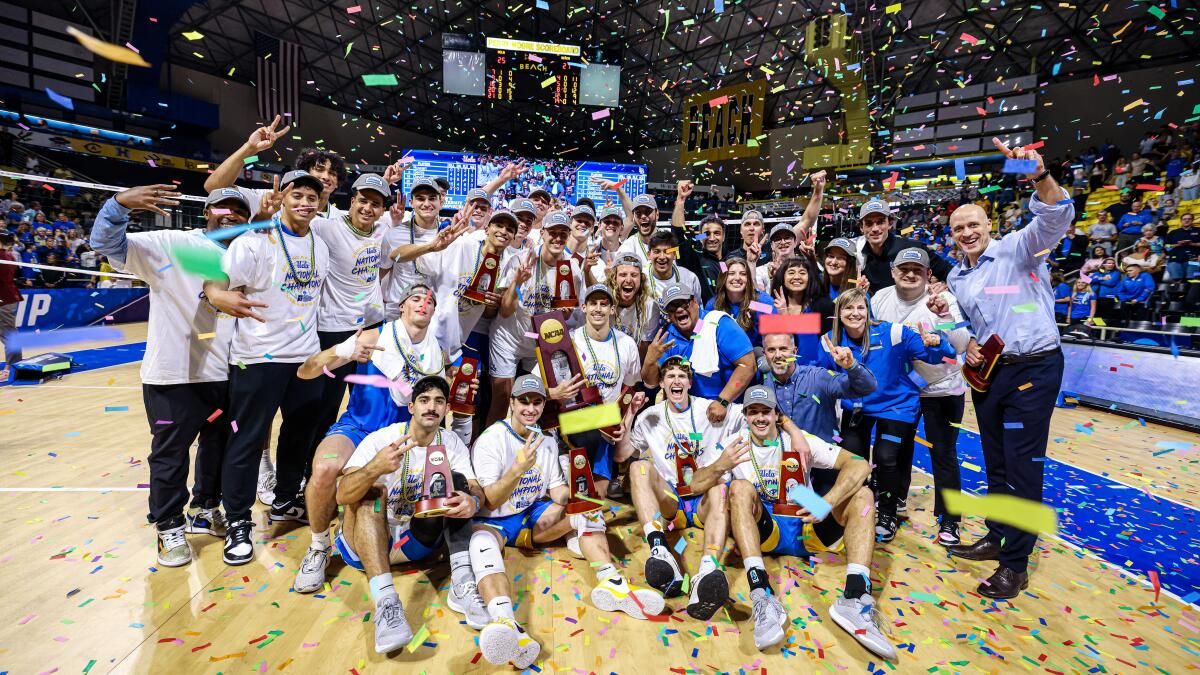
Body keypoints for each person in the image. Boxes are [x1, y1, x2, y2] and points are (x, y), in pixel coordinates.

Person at [935, 137, 1074, 599]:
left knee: (1022, 467)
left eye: (973, 224)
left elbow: (1057, 215)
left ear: (988, 224)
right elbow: (964, 324)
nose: (967, 233)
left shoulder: (1021, 248)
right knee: (996, 462)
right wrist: (965, 343)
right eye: (959, 228)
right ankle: (997, 536)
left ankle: (1016, 563)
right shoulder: (958, 275)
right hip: (990, 375)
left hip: (1033, 368)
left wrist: (1038, 175)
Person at [89, 185, 244, 566]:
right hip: (173, 375)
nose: (230, 214)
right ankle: (168, 525)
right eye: (222, 206)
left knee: (217, 449)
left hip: (228, 375)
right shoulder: (172, 243)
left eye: (239, 209)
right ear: (207, 211)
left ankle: (206, 509)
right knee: (171, 456)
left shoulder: (250, 253)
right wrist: (118, 205)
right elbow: (106, 244)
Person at [469, 375, 664, 667]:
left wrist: (574, 500)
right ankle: (506, 623)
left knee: (587, 509)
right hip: (495, 519)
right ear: (511, 403)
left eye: (537, 402)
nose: (530, 408)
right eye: (524, 401)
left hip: (531, 514)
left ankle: (611, 582)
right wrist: (517, 469)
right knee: (480, 542)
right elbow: (490, 500)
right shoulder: (491, 440)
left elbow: (557, 490)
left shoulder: (545, 441)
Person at [202, 170, 331, 565]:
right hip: (258, 358)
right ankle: (238, 521)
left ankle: (286, 499)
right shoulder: (253, 242)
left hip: (305, 357)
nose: (306, 202)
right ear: (284, 197)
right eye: (298, 195)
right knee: (247, 440)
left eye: (313, 196)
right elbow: (216, 283)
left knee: (298, 436)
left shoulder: (319, 245)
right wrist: (216, 297)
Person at [723, 386, 893, 659]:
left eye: (766, 411)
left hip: (807, 514)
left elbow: (860, 465)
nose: (760, 418)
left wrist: (827, 501)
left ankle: (854, 597)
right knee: (740, 488)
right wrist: (720, 465)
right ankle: (762, 594)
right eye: (753, 412)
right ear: (745, 416)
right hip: (768, 526)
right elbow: (696, 483)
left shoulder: (800, 441)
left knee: (863, 494)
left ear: (777, 414)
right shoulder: (734, 444)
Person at [331, 376, 486, 653]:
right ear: (411, 407)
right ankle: (387, 603)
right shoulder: (381, 439)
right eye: (425, 401)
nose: (432, 407)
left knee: (458, 481)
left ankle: (462, 582)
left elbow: (475, 488)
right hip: (366, 540)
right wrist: (374, 468)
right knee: (372, 492)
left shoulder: (451, 443)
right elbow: (342, 495)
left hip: (415, 540)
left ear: (447, 409)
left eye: (439, 401)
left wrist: (473, 501)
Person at [821, 286, 953, 542]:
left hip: (896, 406)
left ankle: (888, 513)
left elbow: (941, 356)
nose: (855, 313)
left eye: (861, 307)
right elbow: (823, 375)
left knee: (885, 457)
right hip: (857, 408)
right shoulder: (829, 340)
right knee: (854, 459)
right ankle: (857, 509)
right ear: (839, 313)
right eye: (848, 308)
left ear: (869, 311)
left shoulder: (894, 332)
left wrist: (938, 341)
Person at [870, 248, 972, 545]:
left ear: (929, 275)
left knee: (943, 455)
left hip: (943, 389)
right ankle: (892, 507)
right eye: (904, 268)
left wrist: (945, 318)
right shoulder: (880, 299)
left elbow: (962, 344)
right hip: (903, 390)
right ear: (893, 271)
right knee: (893, 454)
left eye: (918, 269)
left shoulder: (944, 300)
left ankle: (950, 520)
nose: (910, 273)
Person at [628, 356, 733, 618]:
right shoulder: (649, 417)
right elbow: (622, 455)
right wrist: (628, 415)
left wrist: (789, 427)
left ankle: (708, 568)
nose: (676, 380)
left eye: (682, 376)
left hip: (703, 501)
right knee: (637, 467)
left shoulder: (710, 409)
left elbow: (758, 414)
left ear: (689, 383)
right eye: (670, 376)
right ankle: (659, 549)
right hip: (671, 501)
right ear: (662, 383)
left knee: (721, 484)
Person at [487, 211, 584, 425]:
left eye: (563, 233)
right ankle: (488, 449)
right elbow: (504, 311)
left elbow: (572, 315)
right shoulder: (521, 260)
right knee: (502, 400)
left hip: (541, 344)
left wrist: (564, 315)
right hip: (509, 338)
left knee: (538, 402)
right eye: (553, 233)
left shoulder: (573, 270)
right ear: (542, 233)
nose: (558, 238)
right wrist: (517, 283)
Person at [567, 284, 642, 498]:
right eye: (593, 303)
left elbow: (629, 388)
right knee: (594, 431)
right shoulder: (571, 340)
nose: (598, 309)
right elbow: (544, 382)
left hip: (608, 426)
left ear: (612, 309)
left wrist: (624, 424)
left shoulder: (627, 344)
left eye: (604, 304)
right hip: (574, 419)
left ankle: (608, 474)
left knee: (598, 496)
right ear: (583, 307)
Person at [642, 283, 755, 423]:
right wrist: (649, 361)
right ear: (668, 314)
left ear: (695, 302)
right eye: (672, 307)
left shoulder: (718, 324)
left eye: (683, 304)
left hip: (730, 409)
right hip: (693, 415)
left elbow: (748, 365)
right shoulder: (668, 335)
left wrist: (723, 401)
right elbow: (651, 383)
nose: (678, 309)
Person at [850, 199, 954, 290]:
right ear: (861, 227)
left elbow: (949, 273)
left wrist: (944, 285)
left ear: (890, 224)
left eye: (880, 222)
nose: (875, 229)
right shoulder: (858, 257)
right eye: (869, 224)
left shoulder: (912, 248)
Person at [768, 255, 835, 364]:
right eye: (791, 272)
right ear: (782, 278)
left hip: (815, 372)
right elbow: (752, 301)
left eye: (802, 273)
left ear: (810, 278)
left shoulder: (823, 306)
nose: (797, 277)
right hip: (782, 371)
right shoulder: (772, 307)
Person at [706, 257, 773, 347]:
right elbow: (700, 331)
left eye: (743, 274)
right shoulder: (713, 304)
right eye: (731, 273)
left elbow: (781, 328)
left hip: (757, 354)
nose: (737, 278)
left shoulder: (760, 303)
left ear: (748, 279)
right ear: (723, 278)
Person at [608, 252, 659, 353]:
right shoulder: (604, 301)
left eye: (634, 275)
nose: (628, 280)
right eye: (623, 275)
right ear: (614, 278)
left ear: (641, 279)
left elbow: (644, 348)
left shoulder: (650, 306)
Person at [645, 229, 703, 306]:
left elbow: (696, 307)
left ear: (675, 254)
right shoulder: (641, 278)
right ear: (649, 255)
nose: (662, 257)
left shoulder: (690, 278)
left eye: (667, 252)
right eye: (657, 251)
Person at [0, 231, 21, 380]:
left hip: (4, 299)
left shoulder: (4, 256)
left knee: (8, 334)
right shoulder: (8, 255)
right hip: (6, 297)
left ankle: (12, 367)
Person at [1165, 213, 1198, 281]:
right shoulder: (1173, 232)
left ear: (1192, 220)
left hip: (1194, 258)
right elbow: (1167, 247)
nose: (1187, 221)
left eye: (1189, 219)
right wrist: (1178, 245)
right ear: (1181, 221)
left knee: (1192, 279)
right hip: (1175, 259)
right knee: (1177, 279)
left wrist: (1191, 244)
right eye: (1184, 219)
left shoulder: (1198, 231)